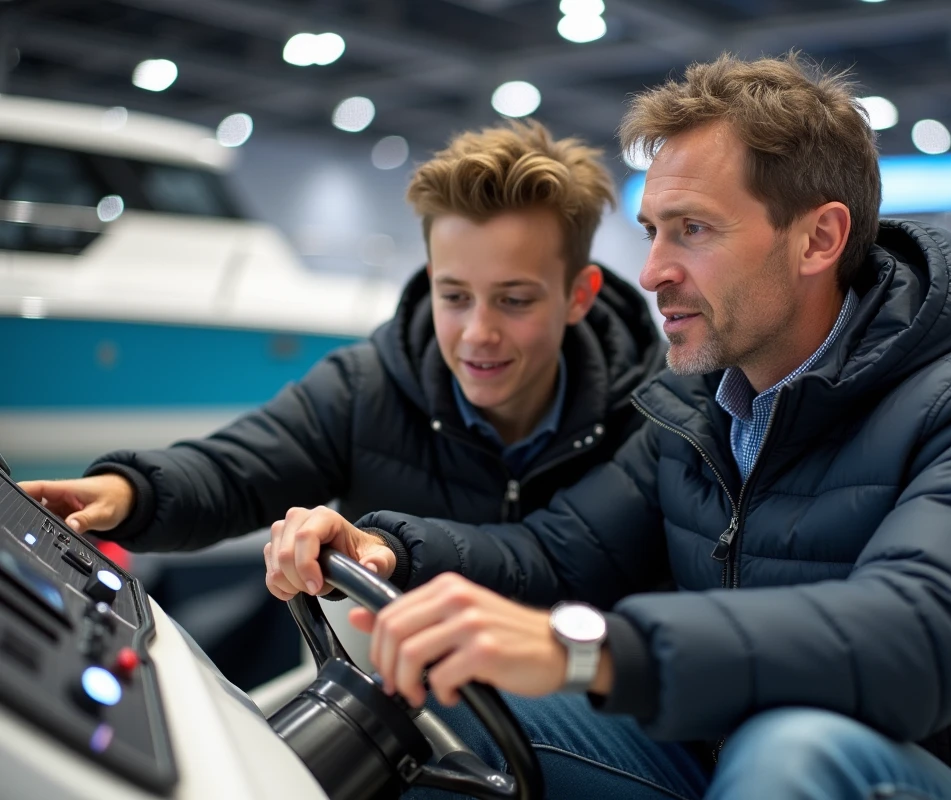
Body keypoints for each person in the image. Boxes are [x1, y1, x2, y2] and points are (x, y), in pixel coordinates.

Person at [266, 53, 951, 800]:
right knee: (433, 695)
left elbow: (915, 642)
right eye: (653, 230)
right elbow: (559, 554)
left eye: (692, 230)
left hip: (893, 777)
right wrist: (389, 548)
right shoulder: (696, 404)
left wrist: (585, 647)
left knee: (794, 749)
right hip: (719, 764)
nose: (653, 271)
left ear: (819, 239)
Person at [19, 120, 666, 565]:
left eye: (515, 300)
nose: (477, 333)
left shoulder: (655, 419)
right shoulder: (364, 388)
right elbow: (235, 471)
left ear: (578, 295)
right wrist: (127, 492)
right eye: (454, 296)